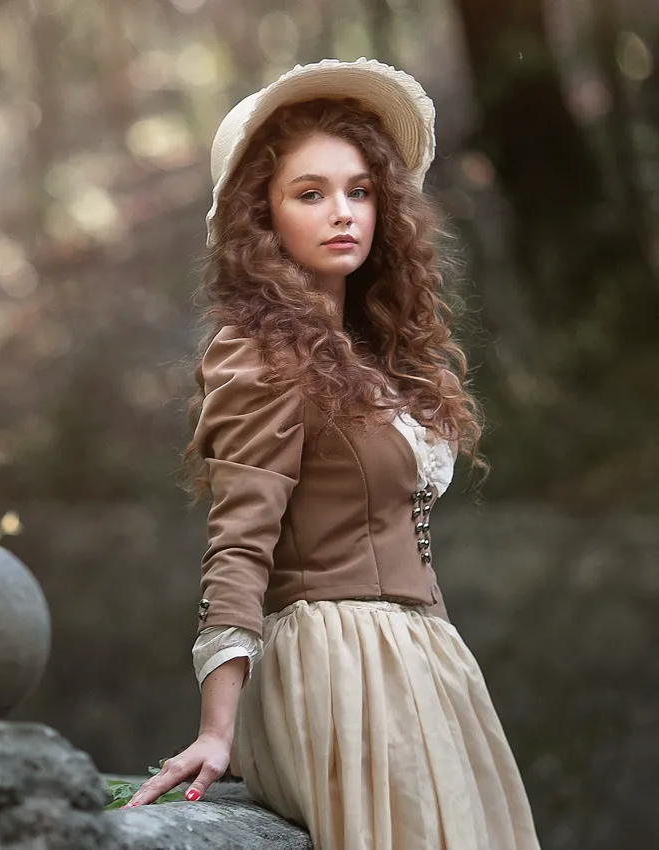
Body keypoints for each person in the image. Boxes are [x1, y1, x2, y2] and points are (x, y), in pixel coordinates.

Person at [122, 59, 541, 849]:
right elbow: (239, 545)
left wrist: (445, 668)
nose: (341, 212)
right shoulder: (258, 354)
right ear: (265, 217)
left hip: (424, 662)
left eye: (358, 190)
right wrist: (218, 729)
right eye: (309, 194)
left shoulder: (381, 356)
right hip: (334, 665)